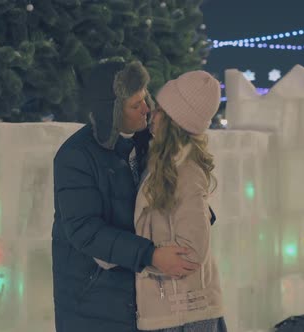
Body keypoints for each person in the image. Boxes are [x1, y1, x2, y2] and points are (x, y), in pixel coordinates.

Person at [52, 61, 201, 332]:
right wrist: (150, 255)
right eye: (135, 105)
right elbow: (84, 230)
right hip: (91, 300)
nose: (146, 108)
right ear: (111, 112)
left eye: (145, 98)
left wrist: (192, 209)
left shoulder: (146, 142)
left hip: (136, 295)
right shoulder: (76, 157)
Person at [133, 70, 226, 331]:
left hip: (185, 315)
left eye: (161, 110)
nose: (153, 113)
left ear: (175, 122)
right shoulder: (163, 164)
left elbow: (193, 251)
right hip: (170, 310)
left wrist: (148, 256)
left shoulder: (186, 171)